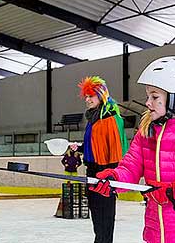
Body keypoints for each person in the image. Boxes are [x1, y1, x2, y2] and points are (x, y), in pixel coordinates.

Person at [90, 56, 175, 243]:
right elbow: (130, 168)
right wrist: (114, 180)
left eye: (155, 97)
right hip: (156, 230)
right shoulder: (147, 130)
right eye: (149, 96)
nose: (148, 102)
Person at [74, 76, 129, 243]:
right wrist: (81, 148)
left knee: (104, 217)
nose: (88, 100)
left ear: (101, 96)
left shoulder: (110, 119)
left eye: (91, 96)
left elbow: (115, 150)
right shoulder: (94, 118)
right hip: (92, 171)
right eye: (86, 97)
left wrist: (110, 178)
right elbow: (96, 145)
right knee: (96, 216)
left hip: (104, 174)